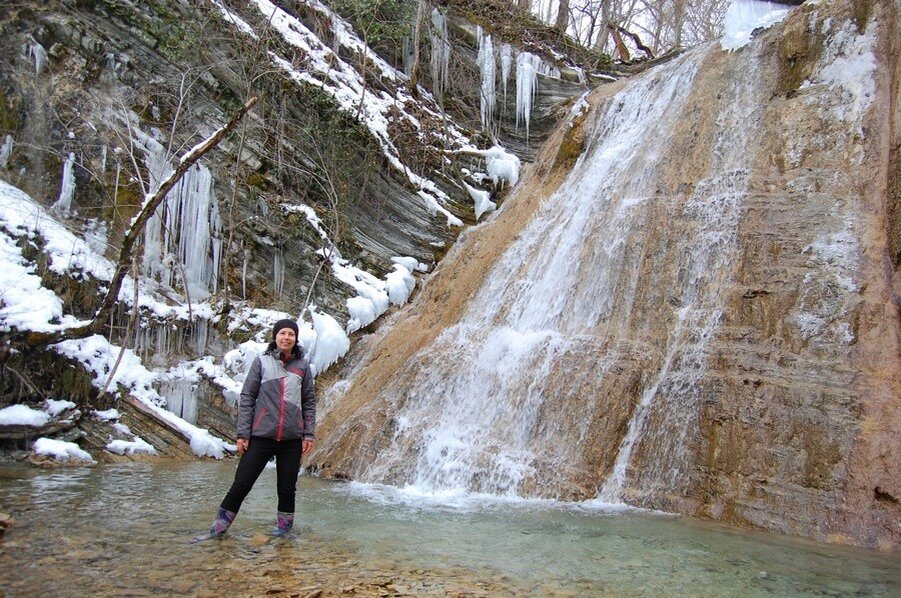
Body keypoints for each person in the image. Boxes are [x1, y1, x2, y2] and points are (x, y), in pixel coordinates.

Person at [206, 318, 316, 538]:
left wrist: (308, 434)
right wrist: (243, 433)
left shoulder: (303, 367)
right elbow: (247, 397)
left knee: (287, 489)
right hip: (261, 435)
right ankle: (218, 529)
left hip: (291, 439)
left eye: (291, 334)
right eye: (282, 333)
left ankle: (284, 532)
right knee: (241, 484)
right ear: (275, 337)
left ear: (296, 339)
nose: (287, 337)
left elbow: (309, 401)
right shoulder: (261, 362)